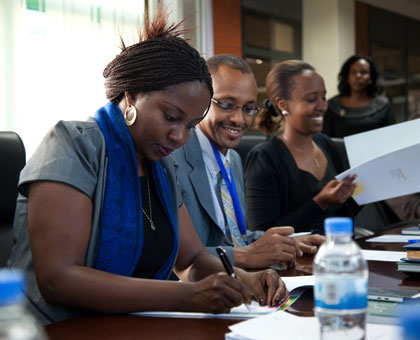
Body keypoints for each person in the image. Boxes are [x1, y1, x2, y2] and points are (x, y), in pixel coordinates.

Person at [7, 9, 287, 325]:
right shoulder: (72, 145)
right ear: (132, 95)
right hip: (56, 329)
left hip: (133, 326)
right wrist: (188, 296)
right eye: (171, 117)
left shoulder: (162, 167)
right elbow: (59, 279)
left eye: (192, 125)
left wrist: (241, 279)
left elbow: (192, 260)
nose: (180, 136)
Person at [171, 54, 325, 270]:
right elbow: (176, 253)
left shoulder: (233, 159)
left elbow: (236, 237)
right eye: (227, 105)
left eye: (248, 108)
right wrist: (247, 255)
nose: (239, 119)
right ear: (201, 100)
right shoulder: (172, 158)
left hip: (236, 283)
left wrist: (290, 243)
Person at [244, 60, 358, 234]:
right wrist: (321, 202)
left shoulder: (327, 145)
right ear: (283, 104)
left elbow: (345, 215)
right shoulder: (265, 158)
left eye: (323, 97)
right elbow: (262, 234)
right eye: (311, 99)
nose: (322, 106)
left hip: (336, 250)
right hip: (294, 260)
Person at [322, 55, 395, 138]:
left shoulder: (383, 105)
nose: (358, 76)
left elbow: (391, 138)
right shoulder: (332, 105)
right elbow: (325, 140)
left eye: (363, 72)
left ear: (371, 78)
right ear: (347, 78)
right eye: (353, 72)